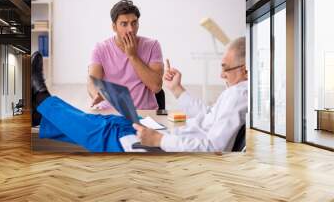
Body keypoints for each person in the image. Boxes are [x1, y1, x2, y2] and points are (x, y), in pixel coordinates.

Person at [31, 37, 247, 152]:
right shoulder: (235, 93)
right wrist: (177, 89)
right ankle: (43, 116)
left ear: (245, 69)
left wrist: (159, 140)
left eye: (225, 68)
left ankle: (42, 99)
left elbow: (214, 146)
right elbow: (209, 116)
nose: (221, 75)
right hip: (176, 135)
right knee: (108, 120)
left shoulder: (238, 95)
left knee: (104, 130)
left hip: (171, 145)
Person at [87, 0, 164, 110]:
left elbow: (156, 87)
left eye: (134, 23)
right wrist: (96, 94)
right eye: (124, 24)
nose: (131, 29)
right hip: (111, 113)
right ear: (114, 27)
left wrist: (133, 56)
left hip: (145, 114)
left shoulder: (152, 45)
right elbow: (92, 81)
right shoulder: (100, 48)